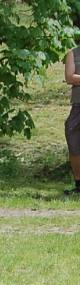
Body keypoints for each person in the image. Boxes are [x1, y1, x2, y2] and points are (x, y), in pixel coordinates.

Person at [64, 45, 80, 195]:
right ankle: (78, 184)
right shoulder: (73, 53)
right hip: (78, 105)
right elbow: (69, 77)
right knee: (73, 141)